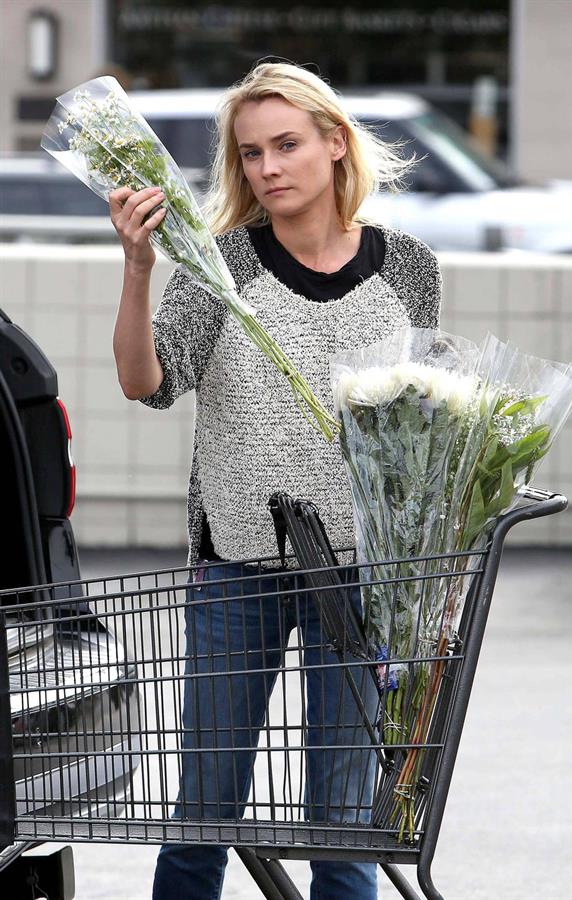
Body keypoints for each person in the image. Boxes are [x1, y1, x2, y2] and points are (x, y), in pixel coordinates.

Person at [110, 61, 442, 900]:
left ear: (336, 144)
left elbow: (416, 421)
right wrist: (139, 265)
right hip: (237, 568)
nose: (268, 168)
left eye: (287, 144)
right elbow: (146, 385)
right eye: (251, 153)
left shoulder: (408, 267)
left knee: (342, 830)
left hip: (361, 575)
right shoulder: (218, 266)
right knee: (201, 817)